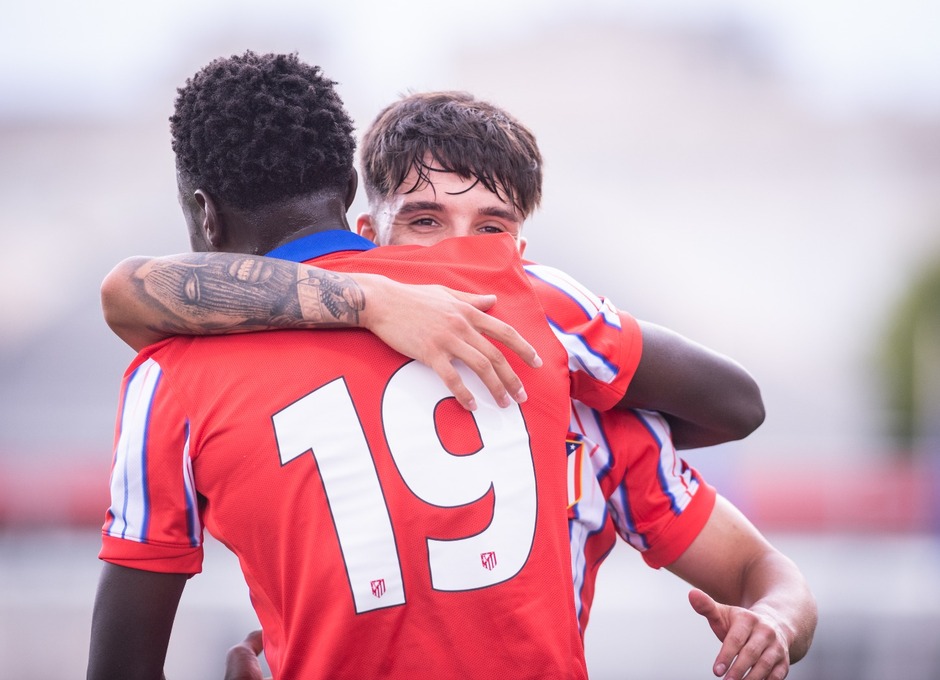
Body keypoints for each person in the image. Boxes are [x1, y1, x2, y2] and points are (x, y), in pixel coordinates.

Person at [101, 87, 815, 679]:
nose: (454, 256)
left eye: (488, 232)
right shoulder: (548, 329)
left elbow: (757, 549)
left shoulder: (174, 375)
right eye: (425, 221)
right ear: (367, 227)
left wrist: (774, 622)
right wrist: (376, 302)